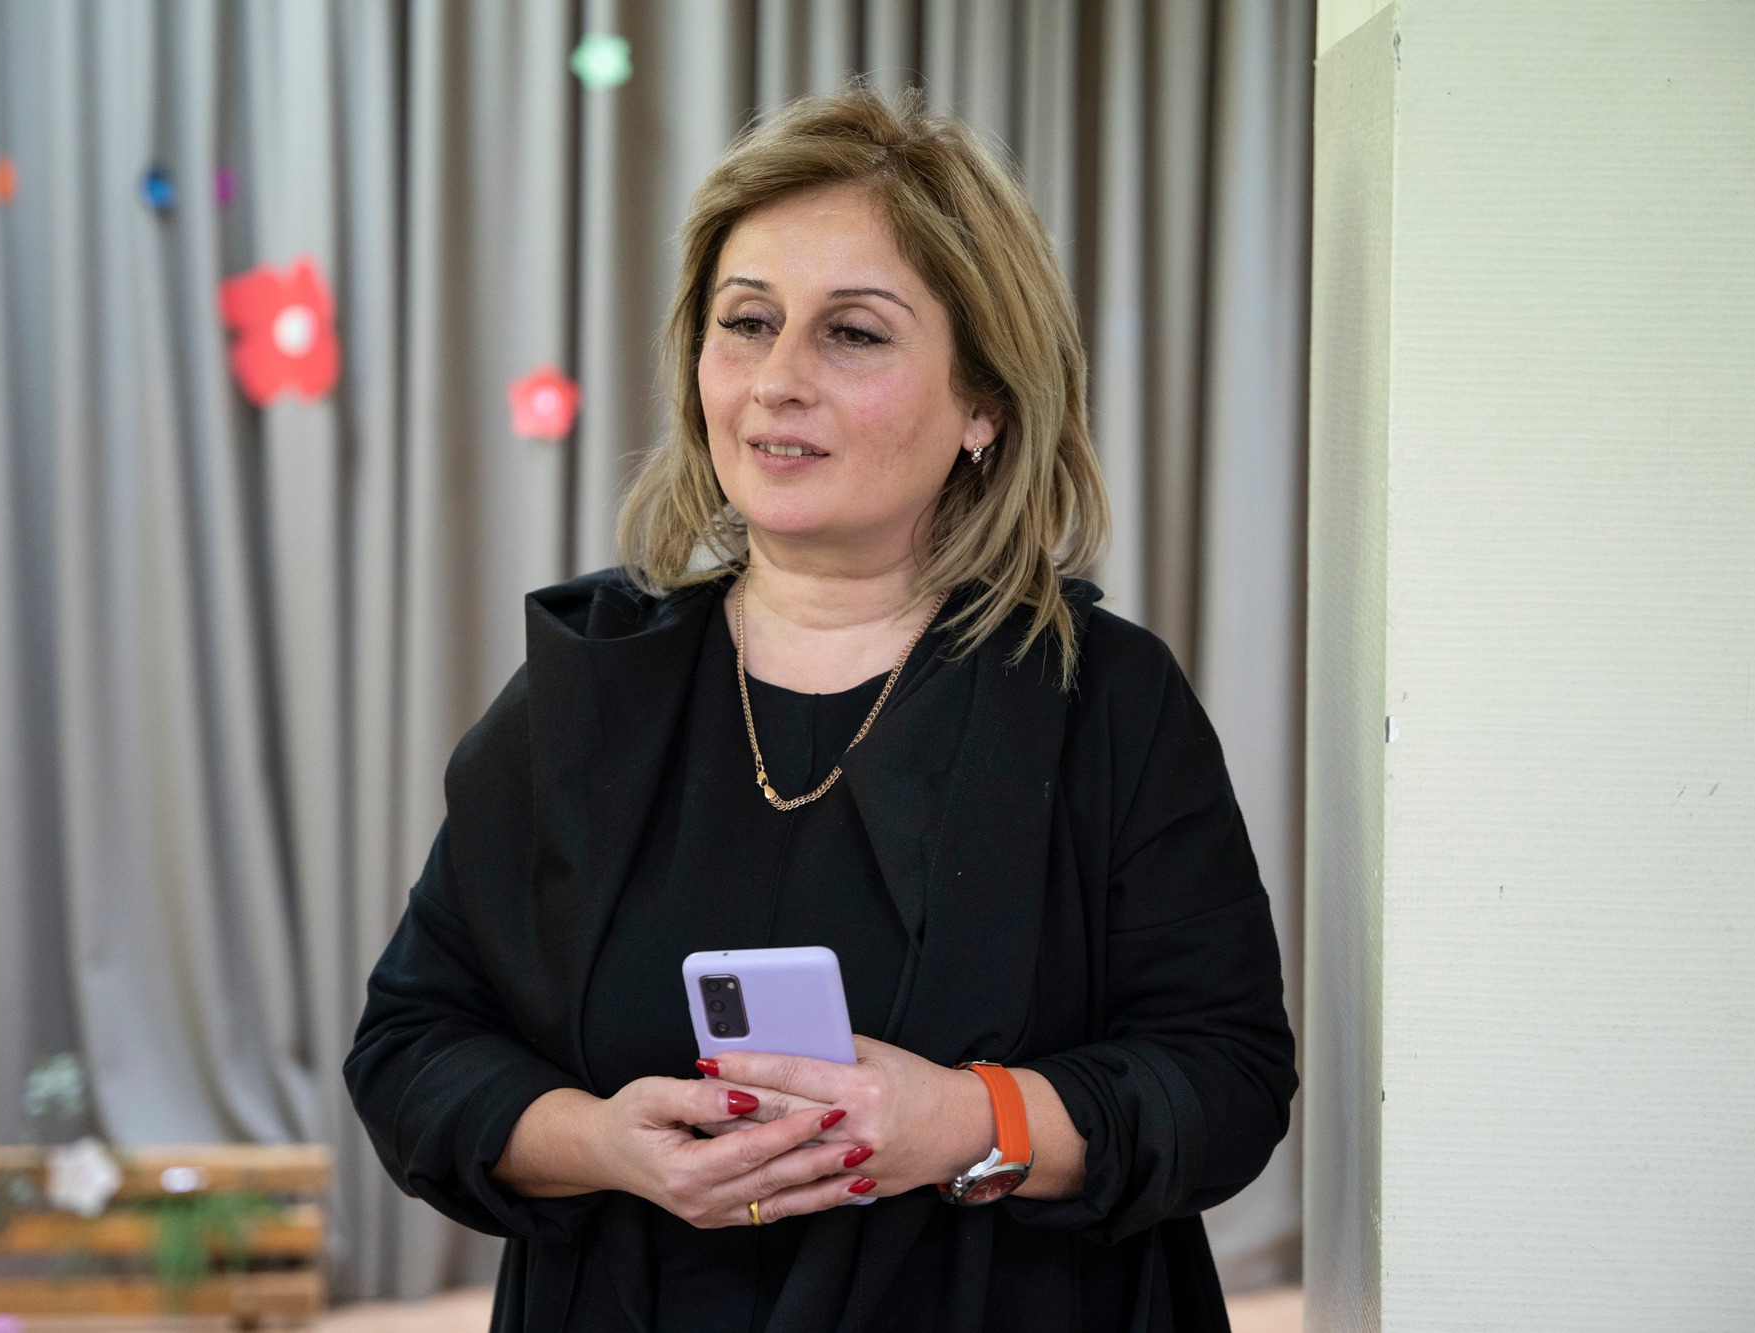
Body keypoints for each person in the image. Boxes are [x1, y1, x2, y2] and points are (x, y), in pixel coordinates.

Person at [345, 85, 1295, 1333]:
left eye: (852, 333)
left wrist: (960, 1120)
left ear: (982, 403)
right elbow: (411, 1045)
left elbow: (1224, 1078)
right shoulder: (585, 693)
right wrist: (604, 1143)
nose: (776, 380)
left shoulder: (1101, 699)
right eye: (746, 323)